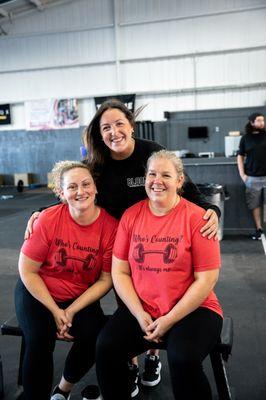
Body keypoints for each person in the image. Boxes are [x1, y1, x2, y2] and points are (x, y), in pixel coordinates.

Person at [24, 99, 221, 397]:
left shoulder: (152, 153)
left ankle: (152, 360)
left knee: (175, 341)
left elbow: (187, 190)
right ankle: (129, 368)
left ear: (131, 125)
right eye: (106, 128)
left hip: (167, 237)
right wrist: (42, 212)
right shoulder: (99, 162)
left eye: (119, 124)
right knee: (122, 322)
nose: (114, 132)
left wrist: (211, 211)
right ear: (99, 134)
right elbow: (78, 190)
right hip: (126, 238)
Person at [96, 150, 223, 400]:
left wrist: (169, 319)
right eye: (152, 174)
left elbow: (206, 279)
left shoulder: (198, 218)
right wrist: (138, 313)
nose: (157, 180)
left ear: (179, 180)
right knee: (106, 347)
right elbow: (119, 271)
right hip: (144, 308)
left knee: (182, 358)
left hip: (193, 310)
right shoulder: (131, 216)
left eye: (166, 175)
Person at [15, 161, 118, 400]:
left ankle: (62, 391)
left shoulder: (110, 227)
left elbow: (105, 279)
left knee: (96, 336)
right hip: (38, 292)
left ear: (95, 188)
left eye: (86, 184)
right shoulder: (48, 219)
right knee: (39, 340)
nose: (80, 191)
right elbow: (27, 271)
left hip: (78, 296)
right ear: (61, 194)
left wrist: (70, 311)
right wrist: (54, 310)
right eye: (72, 187)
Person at [237, 112, 266, 240]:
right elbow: (240, 157)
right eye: (259, 121)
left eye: (263, 121)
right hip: (252, 177)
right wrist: (242, 174)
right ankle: (259, 229)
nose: (262, 123)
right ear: (252, 122)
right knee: (254, 205)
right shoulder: (245, 138)